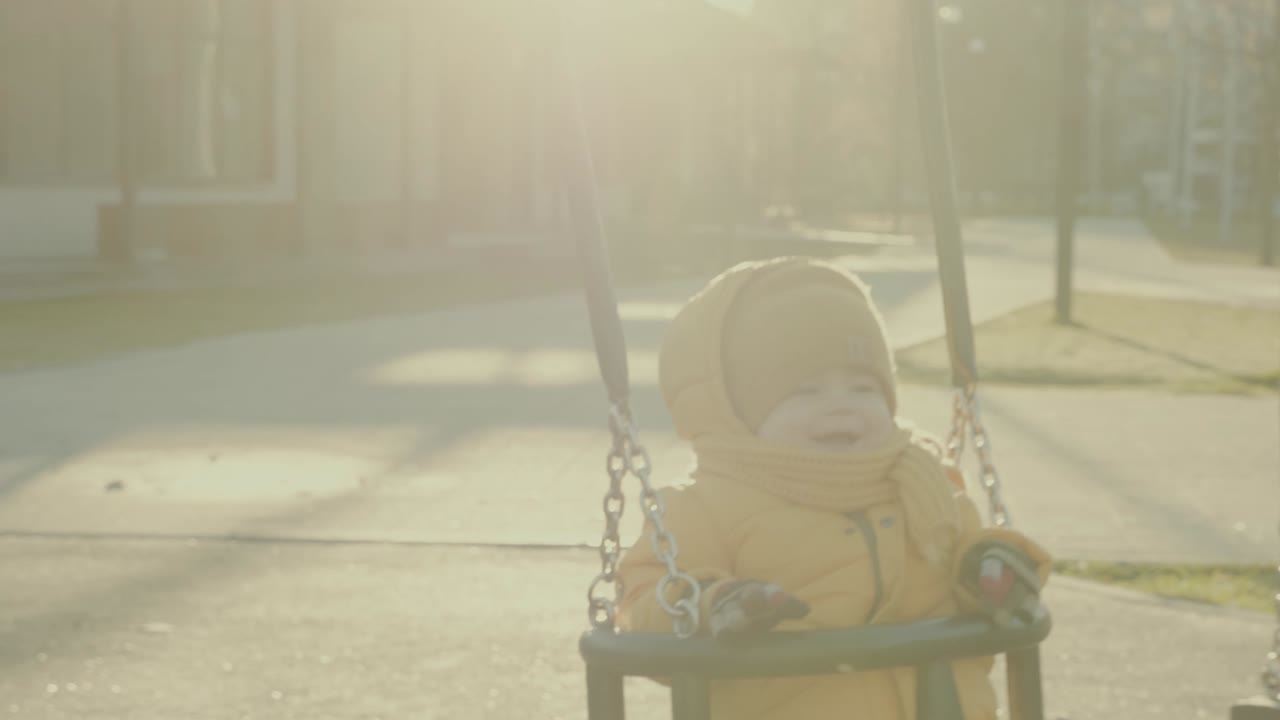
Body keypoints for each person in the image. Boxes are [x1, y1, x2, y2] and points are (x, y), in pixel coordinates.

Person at [617, 256, 1050, 720]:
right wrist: (712, 605)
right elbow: (648, 605)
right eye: (807, 391)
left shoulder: (923, 482)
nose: (841, 407)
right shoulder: (702, 508)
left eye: (864, 389)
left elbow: (956, 563)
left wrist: (989, 568)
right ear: (738, 412)